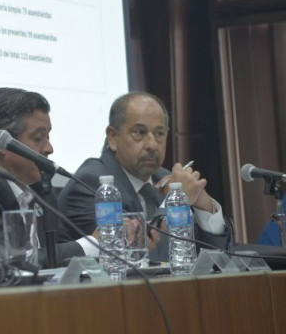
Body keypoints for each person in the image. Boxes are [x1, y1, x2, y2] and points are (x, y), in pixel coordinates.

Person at [58, 91, 231, 261]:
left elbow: (221, 258)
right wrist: (176, 200)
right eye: (139, 132)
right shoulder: (92, 184)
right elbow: (137, 255)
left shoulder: (163, 178)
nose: (152, 145)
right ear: (112, 137)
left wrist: (203, 205)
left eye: (159, 134)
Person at [0, 87, 93, 265]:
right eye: (38, 138)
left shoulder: (42, 191)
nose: (49, 149)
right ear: (2, 144)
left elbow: (52, 254)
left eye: (48, 136)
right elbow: (8, 260)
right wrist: (90, 245)